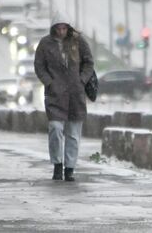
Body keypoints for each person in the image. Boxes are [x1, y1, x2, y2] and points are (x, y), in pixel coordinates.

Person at [34, 13, 94, 182]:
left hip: (76, 94)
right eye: (58, 28)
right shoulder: (45, 44)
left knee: (74, 133)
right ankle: (57, 164)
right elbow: (39, 65)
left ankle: (69, 168)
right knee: (55, 128)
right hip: (55, 94)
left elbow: (89, 62)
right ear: (54, 29)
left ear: (69, 28)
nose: (61, 31)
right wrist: (49, 82)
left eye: (64, 28)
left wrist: (82, 80)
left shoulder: (78, 42)